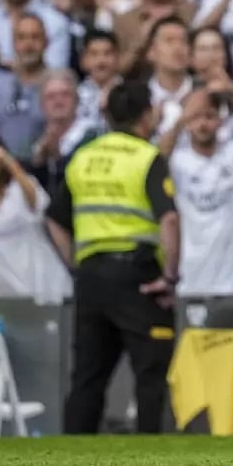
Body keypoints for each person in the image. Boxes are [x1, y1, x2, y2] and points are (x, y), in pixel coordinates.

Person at [45, 82, 181, 435]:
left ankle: (72, 459)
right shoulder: (146, 157)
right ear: (147, 114)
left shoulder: (83, 158)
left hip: (91, 276)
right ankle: (152, 458)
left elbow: (54, 220)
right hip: (138, 276)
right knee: (150, 374)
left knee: (88, 377)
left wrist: (77, 264)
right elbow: (168, 218)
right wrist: (169, 277)